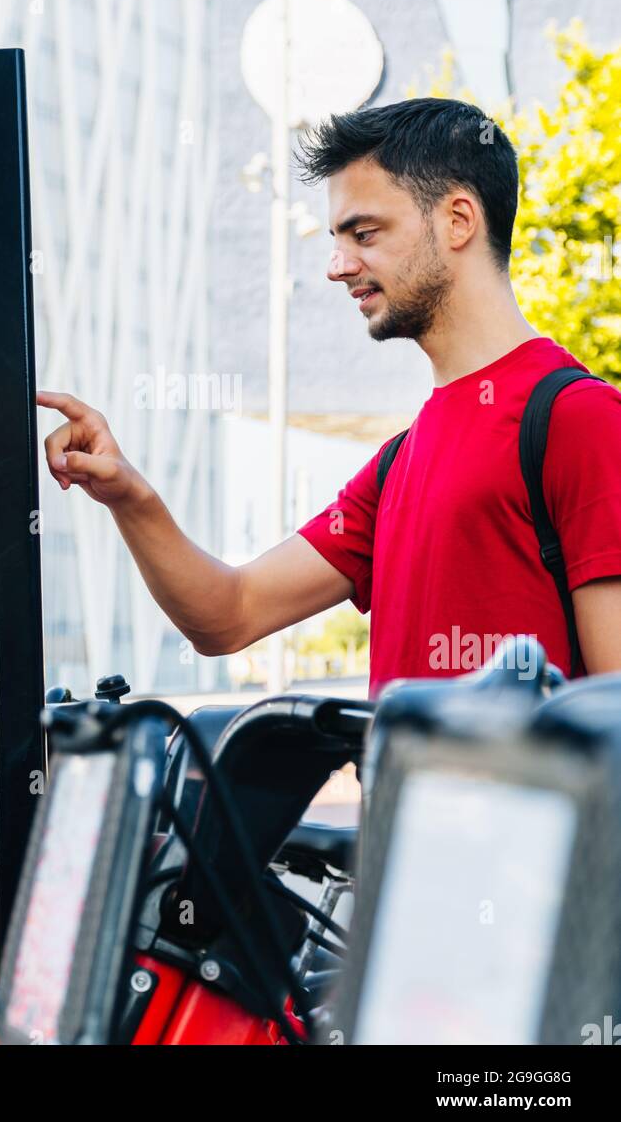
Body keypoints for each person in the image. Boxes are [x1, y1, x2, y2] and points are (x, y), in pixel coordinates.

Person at [38, 97, 621, 696]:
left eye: (364, 233)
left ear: (459, 220)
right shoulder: (399, 462)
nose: (337, 267)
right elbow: (229, 615)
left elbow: (613, 715)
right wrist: (127, 494)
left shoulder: (580, 419)